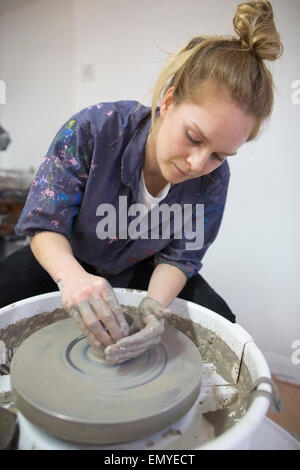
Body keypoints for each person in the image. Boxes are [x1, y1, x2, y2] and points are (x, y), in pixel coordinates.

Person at [0, 1, 282, 364]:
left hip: (143, 265)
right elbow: (43, 223)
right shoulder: (94, 130)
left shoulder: (213, 179)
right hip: (68, 254)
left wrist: (154, 308)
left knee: (221, 322)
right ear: (168, 100)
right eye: (194, 137)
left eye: (219, 154)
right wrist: (72, 278)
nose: (198, 163)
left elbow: (181, 257)